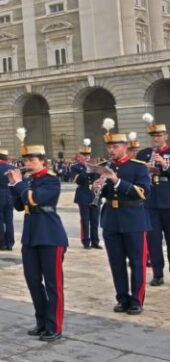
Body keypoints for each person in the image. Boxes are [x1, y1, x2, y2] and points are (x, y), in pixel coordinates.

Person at [7, 143, 68, 342]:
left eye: (33, 160)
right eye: (26, 160)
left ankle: (54, 326)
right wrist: (12, 185)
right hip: (31, 236)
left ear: (43, 161)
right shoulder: (29, 181)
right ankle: (41, 322)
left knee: (53, 284)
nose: (28, 164)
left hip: (50, 235)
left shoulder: (51, 180)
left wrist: (19, 185)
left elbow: (35, 200)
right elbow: (18, 205)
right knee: (33, 282)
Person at [98, 130, 151, 314]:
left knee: (137, 262)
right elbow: (101, 195)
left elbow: (144, 192)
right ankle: (122, 298)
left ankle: (136, 300)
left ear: (125, 147)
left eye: (115, 146)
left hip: (133, 219)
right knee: (116, 262)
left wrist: (117, 181)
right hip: (111, 219)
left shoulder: (138, 167)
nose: (111, 150)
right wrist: (97, 187)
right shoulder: (104, 166)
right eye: (109, 147)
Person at [138, 121, 169, 286]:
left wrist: (165, 165)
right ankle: (158, 274)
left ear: (166, 136)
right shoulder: (143, 154)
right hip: (150, 204)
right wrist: (145, 169)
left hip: (168, 202)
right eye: (153, 136)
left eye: (158, 136)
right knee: (153, 240)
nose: (155, 139)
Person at [70, 142, 101, 249]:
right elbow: (76, 180)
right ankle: (86, 241)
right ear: (80, 157)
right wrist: (87, 170)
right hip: (83, 194)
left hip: (94, 195)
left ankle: (95, 241)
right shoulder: (75, 167)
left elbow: (99, 178)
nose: (86, 157)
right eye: (84, 155)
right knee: (85, 220)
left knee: (95, 219)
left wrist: (95, 168)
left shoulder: (95, 166)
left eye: (88, 155)